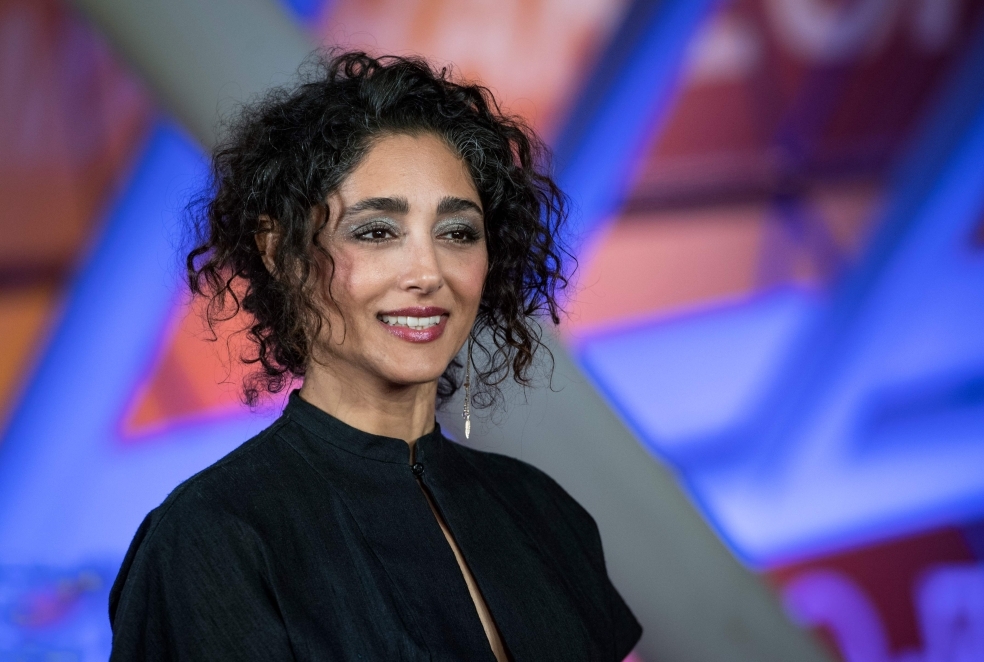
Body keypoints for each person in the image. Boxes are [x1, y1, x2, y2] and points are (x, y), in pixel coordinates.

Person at [108, 50, 641, 661]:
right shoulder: (212, 538)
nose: (429, 273)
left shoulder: (544, 511)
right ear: (280, 251)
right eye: (377, 231)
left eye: (458, 232)